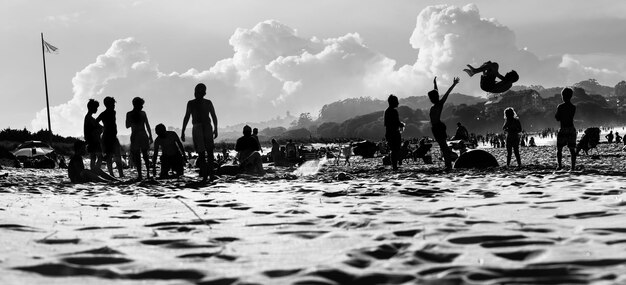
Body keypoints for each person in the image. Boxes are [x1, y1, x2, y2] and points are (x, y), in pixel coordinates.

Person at [181, 83, 218, 183]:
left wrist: (216, 128)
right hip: (200, 126)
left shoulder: (204, 102)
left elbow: (213, 116)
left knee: (206, 152)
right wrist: (183, 130)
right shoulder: (193, 103)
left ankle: (208, 175)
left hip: (202, 126)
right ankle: (207, 175)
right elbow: (187, 116)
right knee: (205, 153)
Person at [429, 76, 460, 170]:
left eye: (430, 97)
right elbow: (436, 91)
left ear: (433, 98)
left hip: (438, 127)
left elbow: (447, 93)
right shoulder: (435, 104)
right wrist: (434, 83)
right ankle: (448, 164)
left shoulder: (439, 104)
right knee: (443, 147)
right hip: (435, 127)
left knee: (444, 147)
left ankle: (448, 165)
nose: (430, 99)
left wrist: (454, 84)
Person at [96, 96, 124, 178]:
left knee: (117, 155)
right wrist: (103, 127)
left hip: (112, 136)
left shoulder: (112, 112)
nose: (114, 106)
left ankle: (120, 174)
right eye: (112, 104)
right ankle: (111, 174)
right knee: (109, 156)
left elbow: (96, 121)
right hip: (107, 136)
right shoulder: (106, 113)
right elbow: (95, 122)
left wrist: (103, 127)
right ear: (108, 104)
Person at [126, 97, 153, 180]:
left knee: (142, 155)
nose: (142, 106)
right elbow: (127, 125)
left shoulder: (132, 113)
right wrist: (150, 136)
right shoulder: (136, 114)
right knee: (142, 155)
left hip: (138, 135)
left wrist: (150, 136)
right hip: (140, 135)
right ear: (136, 104)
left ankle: (143, 174)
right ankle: (143, 174)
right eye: (141, 105)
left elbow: (127, 125)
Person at [555, 87, 577, 170]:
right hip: (571, 128)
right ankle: (573, 167)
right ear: (571, 96)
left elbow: (557, 118)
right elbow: (570, 116)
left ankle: (560, 165)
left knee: (559, 149)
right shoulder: (573, 107)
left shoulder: (560, 107)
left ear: (563, 96)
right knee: (572, 150)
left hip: (563, 128)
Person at [384, 94, 404, 171]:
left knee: (393, 150)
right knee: (396, 150)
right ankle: (395, 166)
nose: (398, 103)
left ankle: (394, 165)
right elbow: (396, 122)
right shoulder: (394, 111)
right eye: (397, 101)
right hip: (394, 133)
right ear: (393, 102)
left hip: (388, 133)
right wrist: (401, 124)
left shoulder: (386, 111)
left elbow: (387, 124)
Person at [84, 99, 104, 172]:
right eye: (96, 107)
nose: (97, 109)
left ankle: (93, 170)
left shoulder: (88, 117)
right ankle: (96, 170)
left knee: (93, 157)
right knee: (99, 157)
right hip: (94, 140)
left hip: (91, 140)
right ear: (92, 108)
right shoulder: (90, 118)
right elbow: (98, 127)